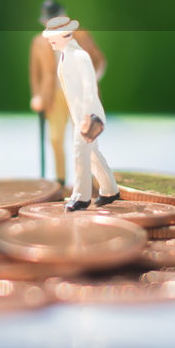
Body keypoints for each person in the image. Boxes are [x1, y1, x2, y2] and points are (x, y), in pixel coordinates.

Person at [42, 14, 119, 211]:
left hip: (88, 115)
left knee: (80, 153)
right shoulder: (65, 57)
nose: (50, 41)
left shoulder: (80, 57)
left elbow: (89, 88)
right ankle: (110, 190)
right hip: (79, 116)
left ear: (65, 35)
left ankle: (81, 197)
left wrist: (87, 116)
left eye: (53, 37)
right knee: (92, 155)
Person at [29, 0, 106, 186]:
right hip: (54, 96)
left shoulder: (80, 36)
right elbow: (35, 74)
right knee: (55, 138)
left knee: (84, 138)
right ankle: (60, 181)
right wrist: (37, 96)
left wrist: (89, 82)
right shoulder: (39, 42)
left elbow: (99, 61)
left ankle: (90, 180)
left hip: (78, 95)